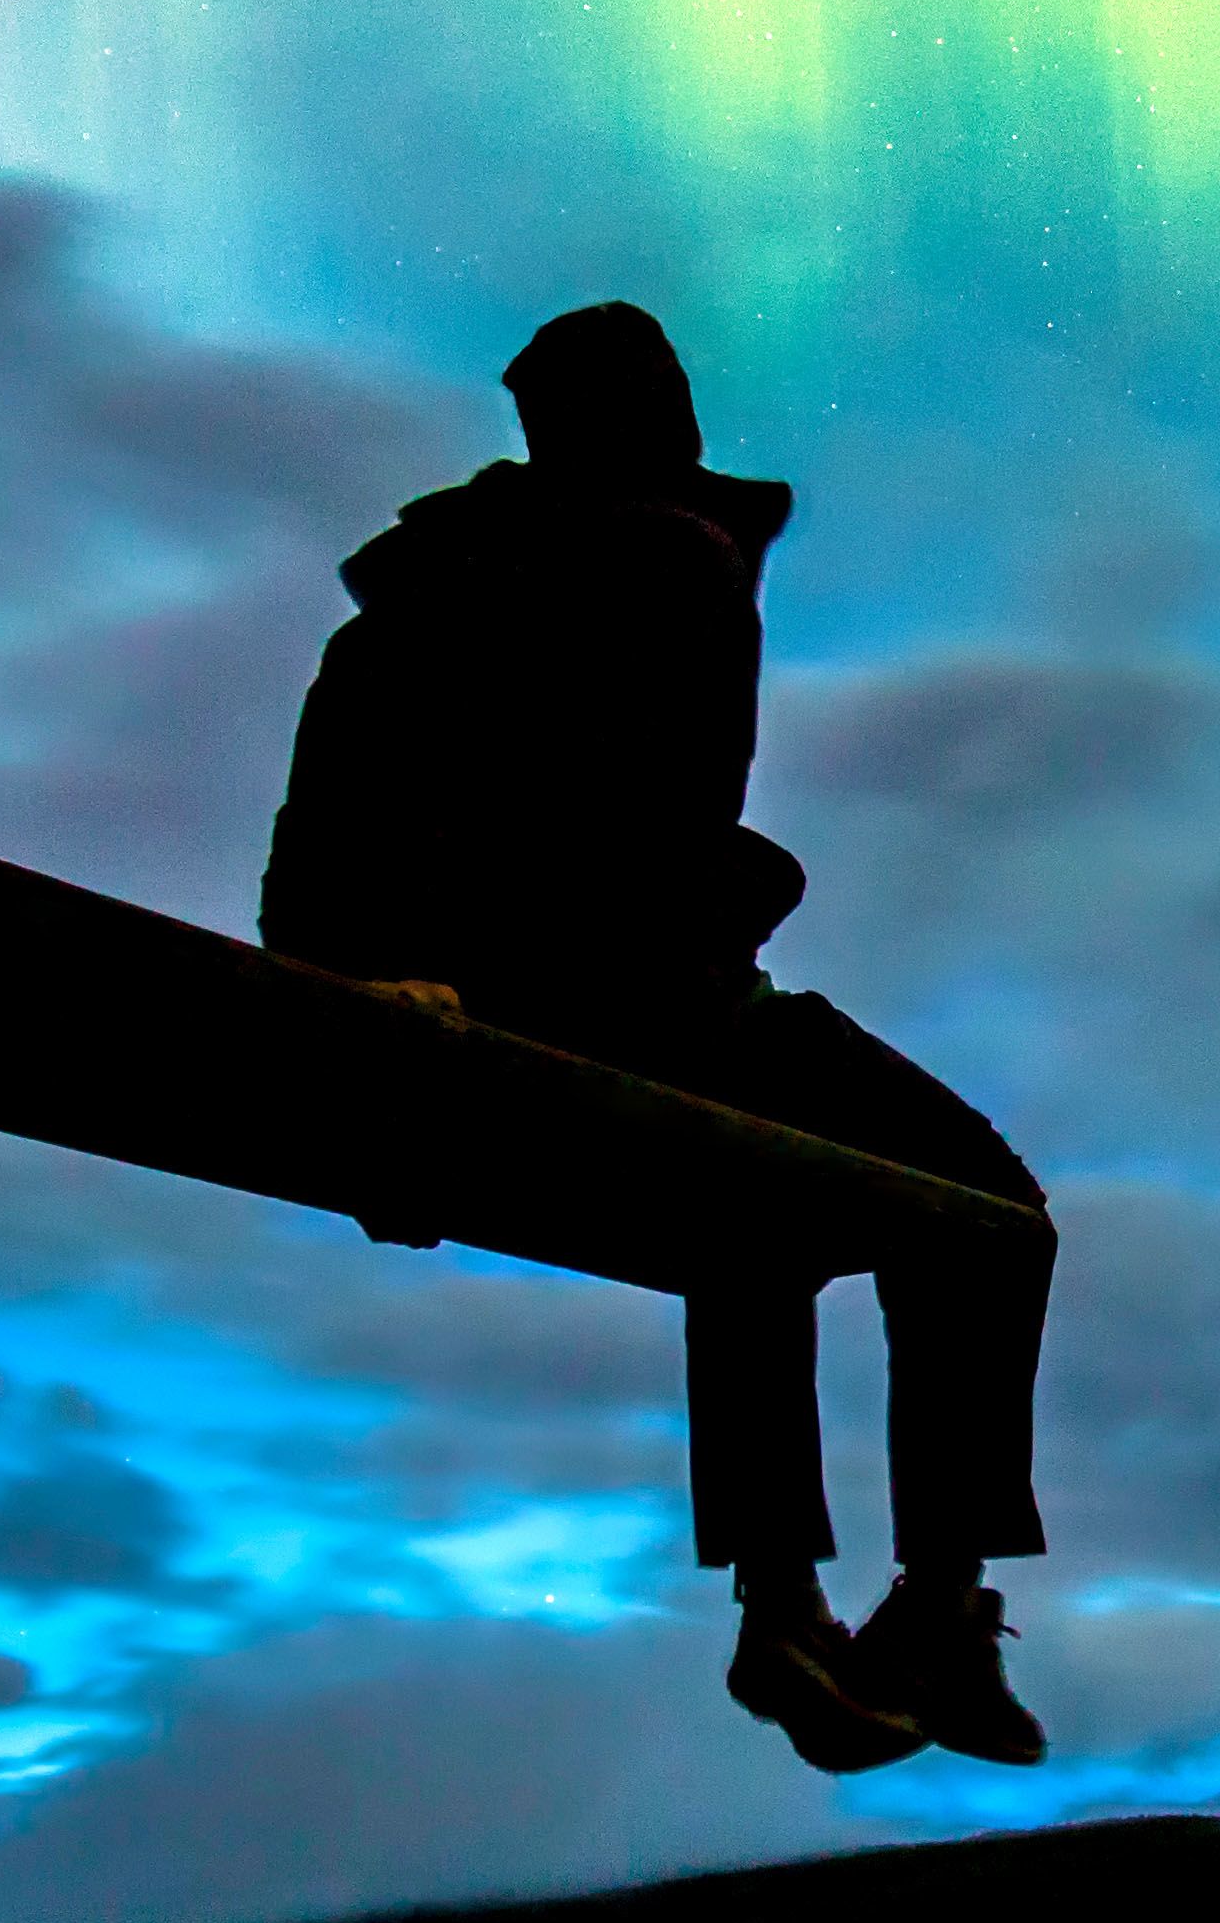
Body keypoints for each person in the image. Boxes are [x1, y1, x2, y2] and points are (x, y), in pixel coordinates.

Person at [260, 302, 1052, 1776]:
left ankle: (811, 1610)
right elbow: (406, 792)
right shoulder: (588, 567)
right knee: (974, 1205)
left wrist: (356, 981)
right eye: (643, 392)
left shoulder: (548, 563)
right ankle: (892, 1604)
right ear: (595, 420)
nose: (671, 413)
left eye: (669, 387)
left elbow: (425, 802)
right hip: (611, 995)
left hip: (622, 993)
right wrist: (363, 990)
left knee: (764, 1200)